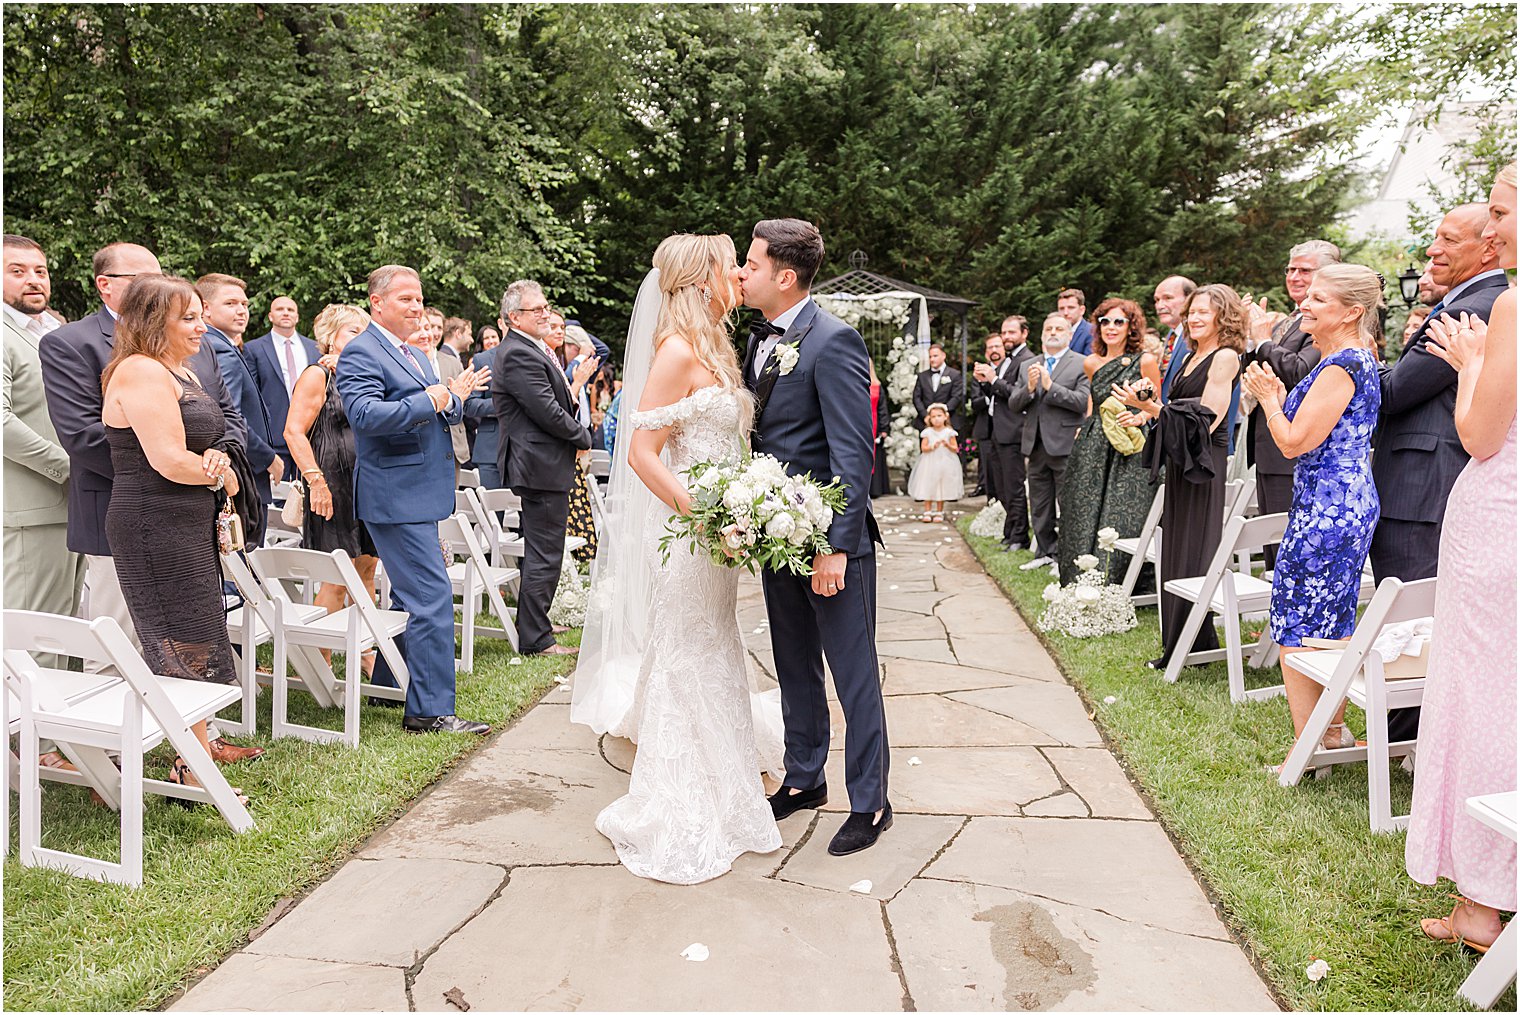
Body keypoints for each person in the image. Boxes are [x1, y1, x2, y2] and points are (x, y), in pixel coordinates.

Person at [578, 234, 784, 884]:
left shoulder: (714, 346)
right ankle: (683, 780)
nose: (738, 278)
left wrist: (747, 504)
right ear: (703, 282)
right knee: (689, 644)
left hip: (721, 530)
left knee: (713, 640)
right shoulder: (674, 350)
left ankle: (726, 758)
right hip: (693, 532)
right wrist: (704, 514)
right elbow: (641, 451)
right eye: (731, 269)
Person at [740, 217, 890, 856]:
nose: (742, 273)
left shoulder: (834, 342)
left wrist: (835, 545)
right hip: (778, 538)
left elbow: (855, 457)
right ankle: (804, 778)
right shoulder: (757, 340)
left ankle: (871, 802)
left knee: (853, 674)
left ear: (786, 274)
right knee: (793, 664)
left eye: (751, 263)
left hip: (831, 545)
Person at [1405, 163, 1517, 954]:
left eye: (1503, 211)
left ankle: (1483, 904)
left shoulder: (1511, 303)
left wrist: (1473, 360)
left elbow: (1479, 434)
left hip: (1499, 517)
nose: (1496, 227)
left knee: (1487, 697)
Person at [98, 274, 250, 801]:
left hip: (184, 520)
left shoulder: (175, 368)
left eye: (199, 315)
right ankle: (189, 764)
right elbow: (166, 460)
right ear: (149, 320)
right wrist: (221, 475)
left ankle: (191, 758)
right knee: (179, 640)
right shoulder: (140, 371)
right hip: (153, 523)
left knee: (195, 634)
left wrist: (218, 455)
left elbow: (207, 439)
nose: (201, 325)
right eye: (188, 317)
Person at [1371, 202, 1509, 744]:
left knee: (1413, 616)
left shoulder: (1476, 305)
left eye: (1449, 240)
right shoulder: (1476, 299)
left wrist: (1354, 361)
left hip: (1422, 485)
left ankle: (1405, 739)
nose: (1433, 250)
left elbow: (1399, 389)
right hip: (1423, 479)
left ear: (1487, 247)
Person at [335, 265, 491, 736]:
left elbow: (442, 405)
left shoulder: (416, 350)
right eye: (405, 298)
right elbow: (365, 416)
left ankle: (387, 681)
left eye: (419, 298)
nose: (417, 306)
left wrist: (454, 397)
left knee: (407, 593)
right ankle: (429, 711)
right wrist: (439, 398)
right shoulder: (361, 352)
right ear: (376, 303)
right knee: (431, 597)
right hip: (395, 495)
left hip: (423, 490)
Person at [1242, 264, 1383, 765]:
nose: (1305, 303)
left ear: (1352, 312)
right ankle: (1332, 733)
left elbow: (1294, 441)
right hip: (1336, 503)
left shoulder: (1343, 364)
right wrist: (1280, 399)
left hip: (1329, 509)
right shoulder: (1348, 359)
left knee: (1298, 620)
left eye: (1319, 299)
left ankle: (1308, 748)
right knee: (1329, 619)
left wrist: (1268, 401)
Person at [1117, 284, 1243, 669]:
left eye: (1205, 311)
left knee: (1194, 551)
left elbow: (1206, 421)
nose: (1195, 318)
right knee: (1174, 550)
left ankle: (1189, 648)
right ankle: (1187, 643)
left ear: (1225, 316)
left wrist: (1151, 407)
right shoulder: (1190, 356)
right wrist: (1147, 410)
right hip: (1180, 461)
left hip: (1203, 464)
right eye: (1191, 312)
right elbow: (1176, 409)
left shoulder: (1225, 358)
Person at [491, 279, 594, 657]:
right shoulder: (518, 352)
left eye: (546, 307)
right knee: (545, 552)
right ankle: (536, 639)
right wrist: (583, 437)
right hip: (538, 464)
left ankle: (538, 623)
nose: (546, 314)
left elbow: (559, 398)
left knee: (545, 549)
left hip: (543, 462)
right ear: (514, 317)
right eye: (537, 310)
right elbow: (547, 411)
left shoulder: (532, 348)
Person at [285, 303, 382, 670]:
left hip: (367, 484)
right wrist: (317, 483)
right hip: (333, 485)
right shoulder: (317, 375)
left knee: (367, 572)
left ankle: (368, 653)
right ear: (330, 338)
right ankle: (319, 663)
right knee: (337, 579)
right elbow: (293, 432)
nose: (361, 338)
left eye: (364, 331)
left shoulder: (363, 374)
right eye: (352, 331)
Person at [1241, 240, 1341, 571]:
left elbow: (1300, 371)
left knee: (1291, 551)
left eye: (1304, 270)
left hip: (1296, 445)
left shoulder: (1324, 323)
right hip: (1268, 443)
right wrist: (1253, 341)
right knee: (1273, 547)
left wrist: (1265, 340)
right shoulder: (1290, 320)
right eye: (1290, 269)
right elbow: (1261, 371)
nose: (1294, 276)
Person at [3, 235, 81, 634]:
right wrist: (69, 466)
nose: (33, 280)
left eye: (40, 271)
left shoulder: (54, 330)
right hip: (29, 511)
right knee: (33, 640)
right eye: (17, 271)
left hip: (71, 507)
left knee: (65, 634)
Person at [1055, 298, 1160, 584]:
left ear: (1131, 327)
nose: (1111, 328)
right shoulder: (1091, 362)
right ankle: (1082, 570)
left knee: (1123, 509)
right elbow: (1094, 399)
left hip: (1130, 443)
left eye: (1119, 322)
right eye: (1105, 321)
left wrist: (1138, 418)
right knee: (1085, 505)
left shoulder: (1146, 361)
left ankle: (1120, 578)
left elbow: (1155, 403)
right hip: (1094, 443)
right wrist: (1084, 425)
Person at [197, 274, 279, 545]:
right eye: (231, 303)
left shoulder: (211, 345)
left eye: (244, 304)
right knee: (246, 565)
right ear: (205, 308)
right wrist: (267, 457)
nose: (241, 310)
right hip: (244, 475)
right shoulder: (220, 349)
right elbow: (229, 415)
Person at [1009, 314, 1091, 571]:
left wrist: (1050, 385)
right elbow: (1014, 403)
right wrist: (1030, 388)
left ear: (1069, 334)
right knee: (1040, 504)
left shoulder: (1081, 363)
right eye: (1048, 328)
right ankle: (1045, 552)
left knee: (1067, 504)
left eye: (1059, 328)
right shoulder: (1028, 365)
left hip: (1066, 445)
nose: (1053, 332)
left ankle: (1065, 557)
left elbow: (1081, 401)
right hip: (1035, 446)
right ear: (1041, 334)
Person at [972, 318, 1034, 549]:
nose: (1006, 336)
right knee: (1001, 486)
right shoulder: (1008, 360)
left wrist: (993, 379)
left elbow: (1019, 395)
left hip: (1014, 431)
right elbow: (999, 394)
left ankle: (1020, 536)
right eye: (1004, 332)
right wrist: (987, 383)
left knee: (1014, 486)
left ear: (1024, 333)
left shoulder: (1026, 360)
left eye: (1011, 332)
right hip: (998, 431)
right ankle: (1010, 532)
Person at [244, 295, 319, 476]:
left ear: (297, 317)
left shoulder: (314, 348)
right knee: (279, 499)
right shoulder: (253, 349)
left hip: (310, 435)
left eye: (290, 309)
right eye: (280, 309)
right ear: (270, 316)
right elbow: (252, 396)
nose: (285, 313)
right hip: (274, 436)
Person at [411, 306, 475, 481]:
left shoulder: (452, 362)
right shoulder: (404, 362)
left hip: (453, 446)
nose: (433, 332)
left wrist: (465, 394)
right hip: (420, 447)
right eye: (429, 326)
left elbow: (463, 405)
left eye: (438, 328)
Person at [908, 402, 960, 521]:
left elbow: (955, 448)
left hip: (945, 463)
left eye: (939, 416)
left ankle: (939, 511)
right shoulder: (928, 432)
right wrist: (932, 446)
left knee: (941, 486)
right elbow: (923, 448)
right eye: (933, 417)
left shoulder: (949, 432)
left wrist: (947, 445)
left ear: (945, 416)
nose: (936, 419)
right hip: (930, 462)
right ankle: (927, 510)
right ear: (929, 418)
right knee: (928, 485)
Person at [1153, 275, 1196, 401]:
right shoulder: (1171, 335)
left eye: (1168, 298)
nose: (1160, 305)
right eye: (1157, 300)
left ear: (1190, 299)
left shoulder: (1196, 336)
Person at [911, 343, 965, 432]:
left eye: (935, 356)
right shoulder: (922, 376)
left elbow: (957, 397)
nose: (932, 359)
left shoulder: (954, 375)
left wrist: (942, 415)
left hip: (948, 421)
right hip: (925, 423)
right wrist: (926, 416)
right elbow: (916, 397)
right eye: (930, 357)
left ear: (943, 356)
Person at [869, 360, 891, 498]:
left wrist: (884, 427)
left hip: (875, 424)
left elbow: (883, 408)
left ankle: (875, 489)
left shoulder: (877, 385)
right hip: (860, 424)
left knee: (876, 456)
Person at [1057, 288, 1094, 355]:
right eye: (1061, 308)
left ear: (1082, 310)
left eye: (1071, 308)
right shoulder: (1054, 332)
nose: (1065, 313)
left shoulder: (1091, 332)